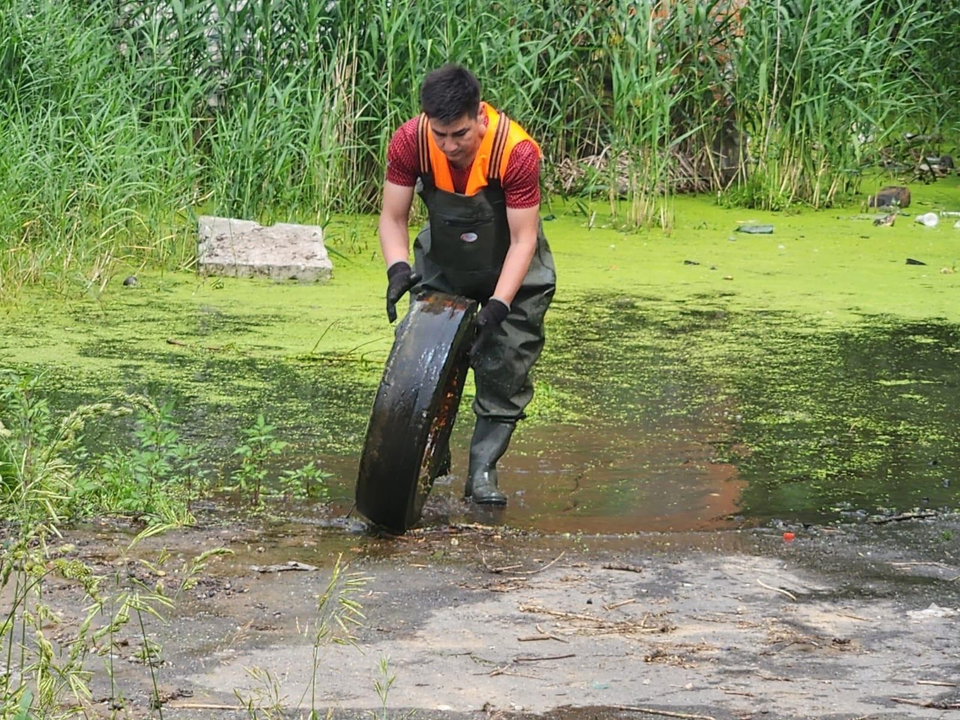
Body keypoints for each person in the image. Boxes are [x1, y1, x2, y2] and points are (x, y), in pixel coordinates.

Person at [378, 64, 556, 506]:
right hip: (445, 263)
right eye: (440, 134)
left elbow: (523, 240)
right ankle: (427, 458)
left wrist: (497, 307)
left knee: (504, 367)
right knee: (425, 362)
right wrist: (399, 269)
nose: (448, 145)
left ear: (479, 116)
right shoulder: (409, 141)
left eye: (459, 133)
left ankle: (482, 472)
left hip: (512, 269)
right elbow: (393, 216)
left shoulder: (514, 153)